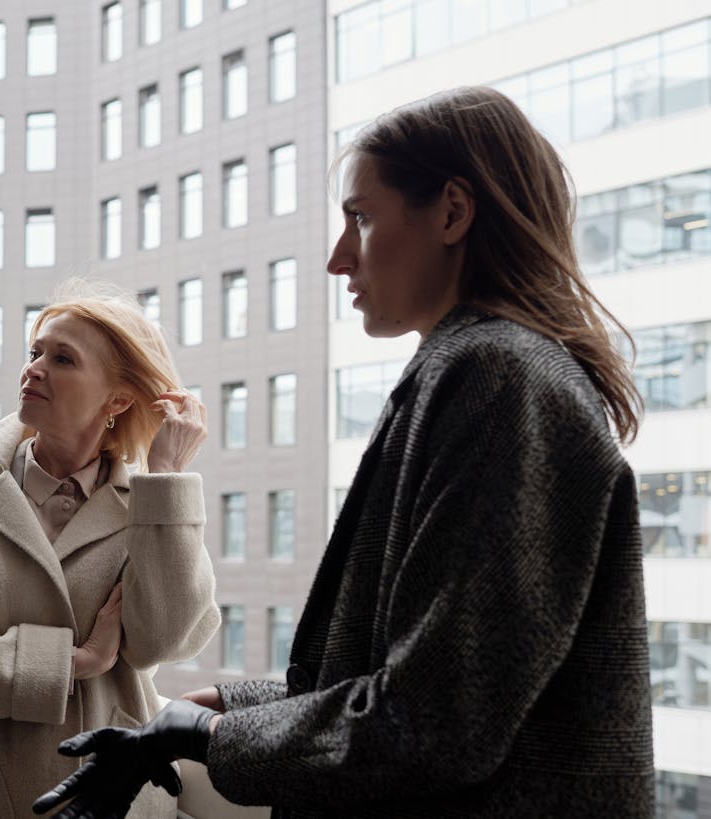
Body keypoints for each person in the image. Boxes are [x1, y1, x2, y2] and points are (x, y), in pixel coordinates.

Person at [34, 86, 654, 818]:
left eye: (360, 217)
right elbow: (392, 674)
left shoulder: (498, 378)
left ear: (452, 212)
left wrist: (207, 732)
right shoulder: (474, 372)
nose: (336, 258)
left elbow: (433, 720)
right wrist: (224, 705)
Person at [0, 281, 221, 818]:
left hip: (116, 799)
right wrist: (71, 663)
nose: (33, 368)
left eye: (62, 358)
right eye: (34, 352)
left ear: (119, 398)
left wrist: (169, 477)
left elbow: (165, 640)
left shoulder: (151, 508)